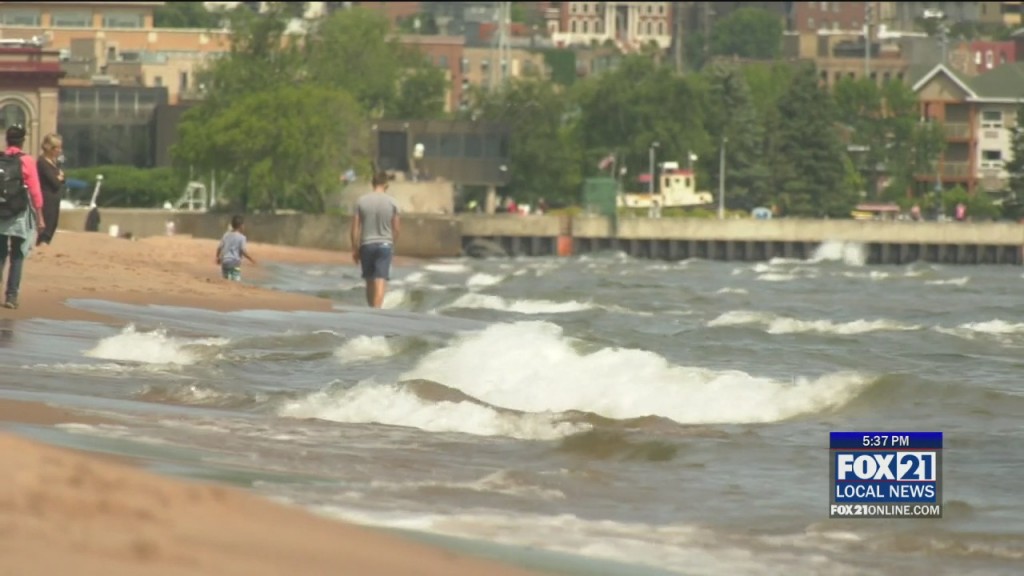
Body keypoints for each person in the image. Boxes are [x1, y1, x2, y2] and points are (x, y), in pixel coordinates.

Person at [0, 124, 45, 309]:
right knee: (17, 254)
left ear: (7, 140)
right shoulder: (26, 160)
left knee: (0, 253)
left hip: (0, 211)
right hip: (18, 212)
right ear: (22, 140)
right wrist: (40, 216)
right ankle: (11, 296)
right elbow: (35, 190)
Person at [350, 170, 400, 309]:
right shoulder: (393, 202)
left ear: (373, 183)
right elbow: (396, 229)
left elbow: (355, 227)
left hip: (366, 244)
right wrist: (392, 245)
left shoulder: (361, 201)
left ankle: (371, 308)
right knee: (380, 279)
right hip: (385, 244)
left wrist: (355, 248)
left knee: (369, 280)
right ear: (386, 184)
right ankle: (376, 311)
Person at [35, 133, 64, 246]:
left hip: (54, 199)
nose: (60, 151)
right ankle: (42, 249)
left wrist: (60, 178)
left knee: (52, 225)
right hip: (47, 200)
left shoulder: (54, 163)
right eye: (58, 148)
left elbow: (62, 179)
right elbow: (55, 182)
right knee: (46, 230)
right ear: (50, 148)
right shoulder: (42, 162)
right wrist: (59, 178)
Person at [216, 214, 256, 282]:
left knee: (226, 280)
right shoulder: (242, 237)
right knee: (235, 281)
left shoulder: (226, 235)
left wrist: (217, 257)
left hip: (225, 262)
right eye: (243, 225)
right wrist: (252, 260)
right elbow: (243, 251)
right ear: (241, 226)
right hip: (234, 263)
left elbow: (219, 247)